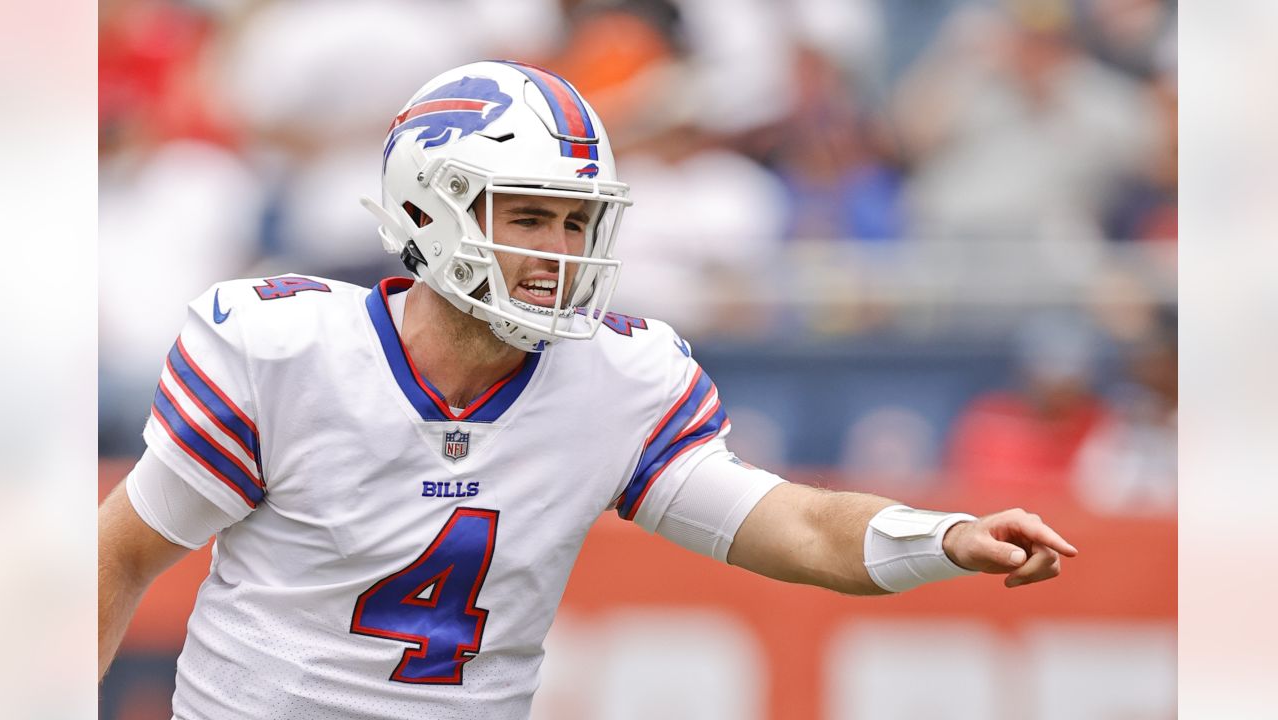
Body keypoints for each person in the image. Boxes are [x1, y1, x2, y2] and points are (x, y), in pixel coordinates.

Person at [98, 60, 1077, 719]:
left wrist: (942, 538)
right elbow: (117, 557)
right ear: (421, 211)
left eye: (576, 223)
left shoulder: (616, 379)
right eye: (527, 216)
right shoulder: (285, 352)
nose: (557, 252)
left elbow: (800, 530)